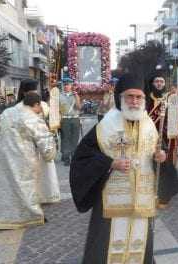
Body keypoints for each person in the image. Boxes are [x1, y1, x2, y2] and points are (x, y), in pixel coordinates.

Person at [70, 73, 166, 264]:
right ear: (120, 98)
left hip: (142, 200)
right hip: (112, 201)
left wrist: (160, 158)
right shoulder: (105, 125)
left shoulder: (150, 125)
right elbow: (82, 158)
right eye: (129, 96)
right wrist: (109, 163)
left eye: (139, 97)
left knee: (139, 243)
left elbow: (154, 156)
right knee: (106, 246)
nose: (134, 101)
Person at [0, 92, 57, 229]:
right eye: (40, 108)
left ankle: (2, 219)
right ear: (36, 104)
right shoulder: (32, 118)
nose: (40, 111)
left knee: (7, 187)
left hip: (4, 157)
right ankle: (29, 216)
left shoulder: (7, 113)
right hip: (23, 159)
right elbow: (45, 142)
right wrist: (50, 152)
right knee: (25, 187)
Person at [146, 68, 178, 208]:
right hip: (147, 139)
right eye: (156, 81)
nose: (159, 84)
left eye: (161, 81)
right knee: (149, 166)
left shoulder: (171, 99)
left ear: (165, 84)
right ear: (152, 83)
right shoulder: (145, 99)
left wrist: (173, 131)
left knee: (165, 167)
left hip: (166, 140)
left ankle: (165, 195)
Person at [59, 77, 82, 166]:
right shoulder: (59, 96)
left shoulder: (75, 95)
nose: (66, 86)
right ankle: (66, 157)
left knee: (75, 138)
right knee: (65, 138)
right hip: (65, 119)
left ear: (71, 85)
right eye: (64, 84)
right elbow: (55, 108)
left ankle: (73, 155)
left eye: (68, 85)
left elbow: (79, 107)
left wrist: (76, 96)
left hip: (75, 118)